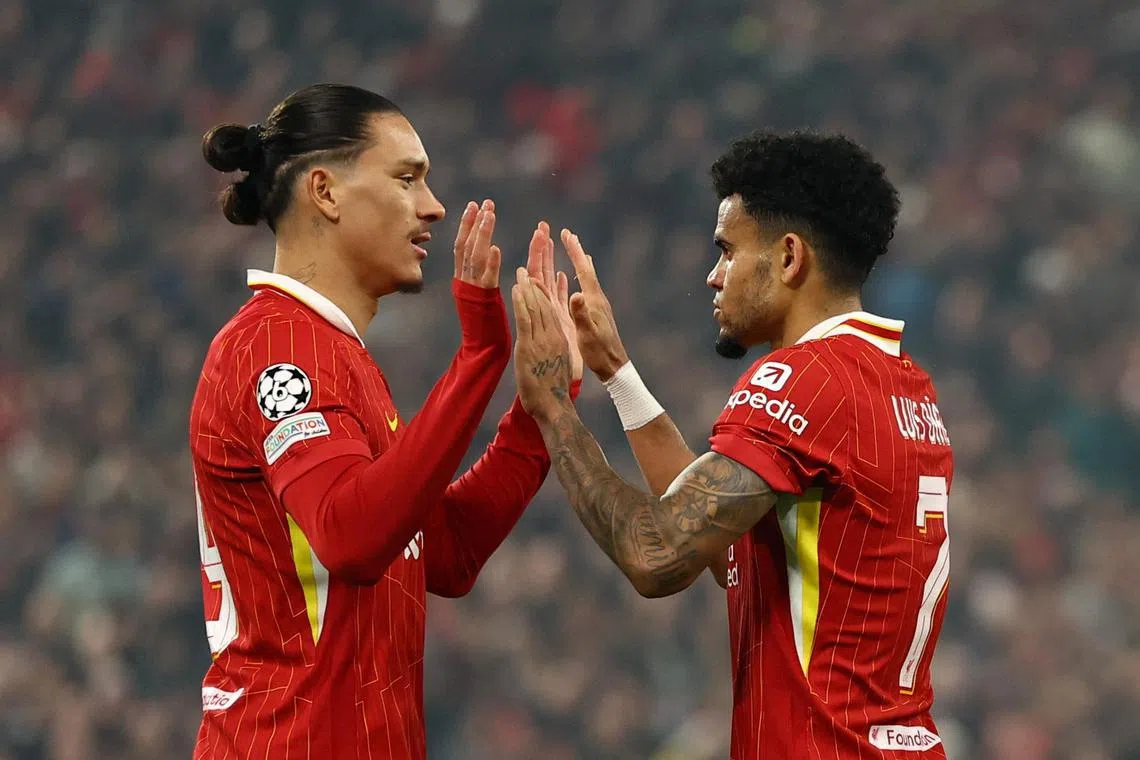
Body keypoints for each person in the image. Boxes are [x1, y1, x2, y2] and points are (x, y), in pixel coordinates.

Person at [512, 130, 953, 758]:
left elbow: (658, 553)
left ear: (789, 258)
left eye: (727, 250)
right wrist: (615, 372)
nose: (713, 275)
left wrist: (553, 408)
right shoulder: (905, 387)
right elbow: (730, 557)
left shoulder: (804, 378)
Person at [188, 83, 580, 759]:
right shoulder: (280, 349)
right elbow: (354, 537)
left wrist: (544, 403)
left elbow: (445, 551)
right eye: (407, 179)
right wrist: (480, 357)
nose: (433, 207)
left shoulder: (336, 355)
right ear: (326, 192)